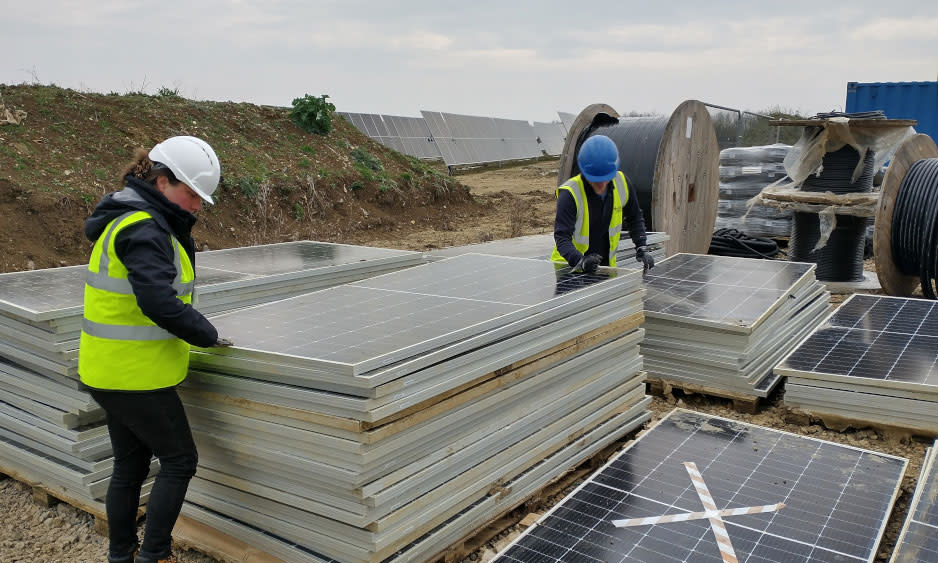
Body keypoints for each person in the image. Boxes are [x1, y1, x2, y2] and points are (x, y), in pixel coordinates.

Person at [78, 136, 232, 563]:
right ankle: (155, 556)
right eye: (192, 194)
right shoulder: (144, 227)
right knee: (180, 460)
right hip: (136, 377)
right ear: (162, 181)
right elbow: (157, 300)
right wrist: (206, 333)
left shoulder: (128, 218)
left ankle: (121, 556)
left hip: (109, 372)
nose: (198, 206)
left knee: (130, 466)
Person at [551, 134, 654, 274]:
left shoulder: (622, 183)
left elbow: (635, 217)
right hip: (569, 269)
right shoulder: (570, 194)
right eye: (595, 179)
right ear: (584, 172)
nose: (601, 185)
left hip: (604, 268)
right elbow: (562, 237)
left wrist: (641, 247)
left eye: (605, 178)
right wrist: (580, 261)